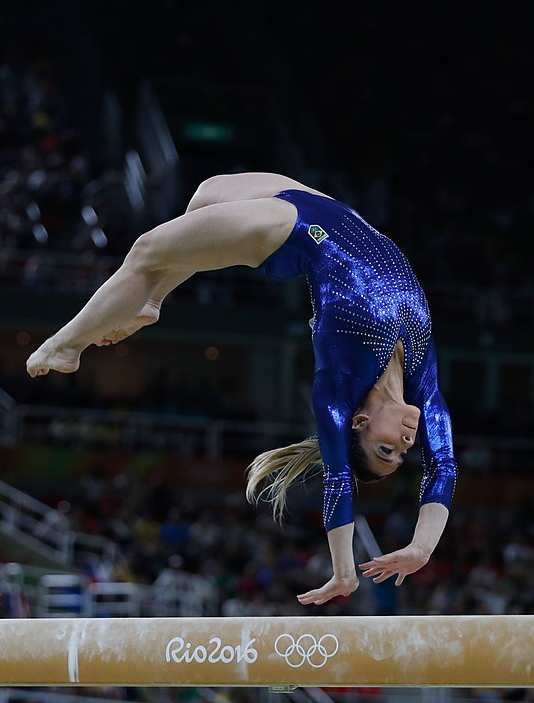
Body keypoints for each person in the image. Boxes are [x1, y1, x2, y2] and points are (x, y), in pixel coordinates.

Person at [27, 172, 457, 605]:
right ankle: (151, 301)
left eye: (388, 451)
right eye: (402, 455)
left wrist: (345, 570)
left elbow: (338, 479)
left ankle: (67, 345)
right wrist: (420, 548)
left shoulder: (337, 390)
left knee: (146, 251)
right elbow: (443, 466)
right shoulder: (425, 383)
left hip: (288, 230)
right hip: (328, 209)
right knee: (203, 197)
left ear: (359, 422)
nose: (405, 445)